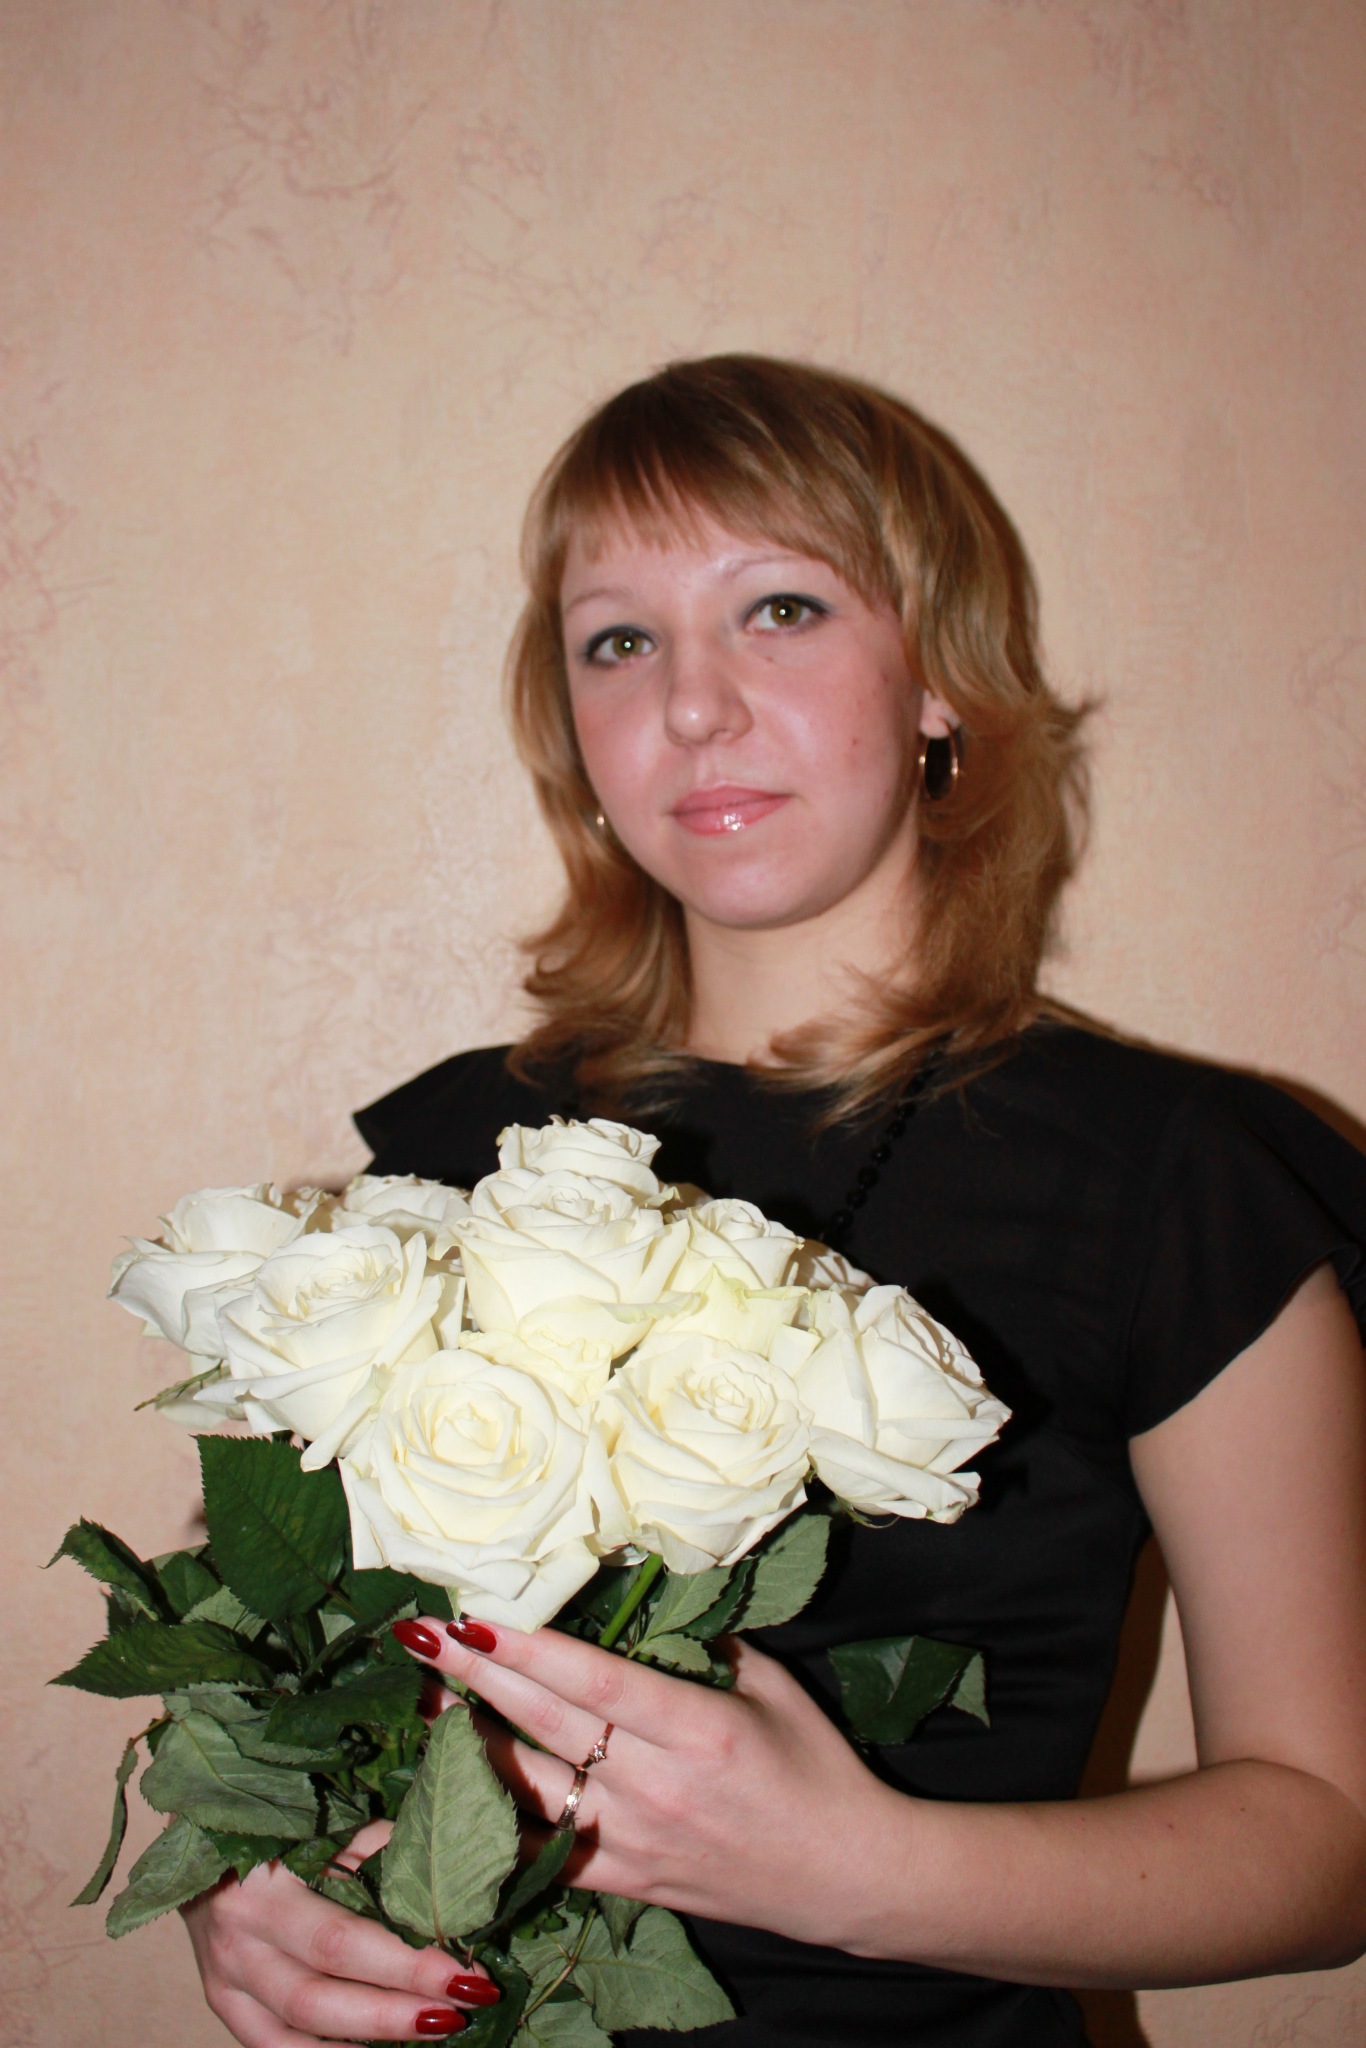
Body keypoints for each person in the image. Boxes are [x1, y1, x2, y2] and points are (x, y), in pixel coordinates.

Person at [182, 356, 1366, 2047]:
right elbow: (276, 1680)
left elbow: (1329, 1839)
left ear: (938, 682)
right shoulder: (447, 1159)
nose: (694, 707)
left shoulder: (1176, 1180)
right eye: (618, 641)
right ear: (572, 729)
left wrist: (856, 1870)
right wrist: (251, 1890)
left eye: (782, 609)